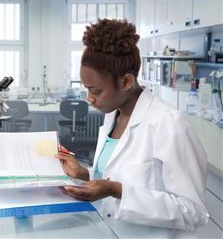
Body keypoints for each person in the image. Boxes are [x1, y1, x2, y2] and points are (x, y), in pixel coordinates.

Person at [56, 19, 209, 238]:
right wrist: (84, 173)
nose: (90, 99)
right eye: (86, 90)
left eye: (96, 91)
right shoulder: (112, 115)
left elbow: (193, 212)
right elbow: (122, 174)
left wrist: (115, 190)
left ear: (126, 82)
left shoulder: (168, 124)